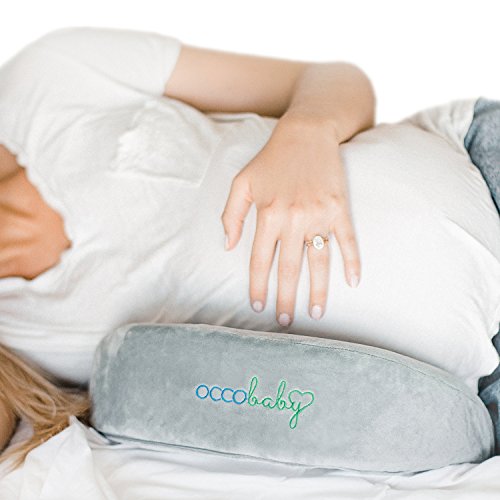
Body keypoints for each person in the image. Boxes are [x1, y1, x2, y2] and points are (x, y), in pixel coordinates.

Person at [0, 25, 375, 471]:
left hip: (450, 163)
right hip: (432, 375)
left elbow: (337, 79)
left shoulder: (48, 76)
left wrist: (306, 133)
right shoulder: (18, 340)